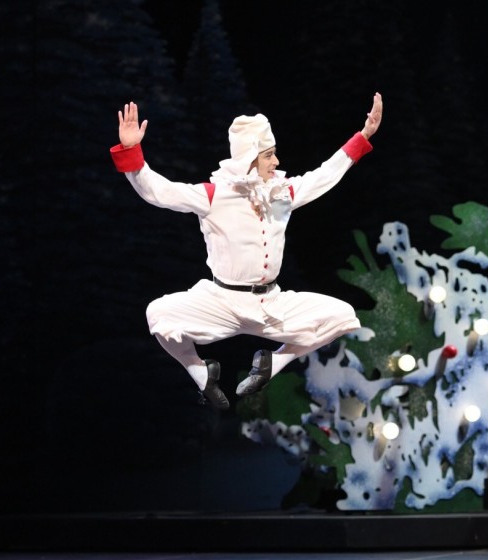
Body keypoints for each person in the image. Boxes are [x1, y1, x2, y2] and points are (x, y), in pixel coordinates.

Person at [111, 94, 383, 409]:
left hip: (272, 302)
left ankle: (272, 364)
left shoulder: (282, 193)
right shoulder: (214, 195)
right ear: (250, 157)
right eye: (270, 155)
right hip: (222, 301)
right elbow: (157, 191)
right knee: (158, 315)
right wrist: (132, 151)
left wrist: (362, 138)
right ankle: (202, 375)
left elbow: (324, 176)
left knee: (342, 317)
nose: (276, 162)